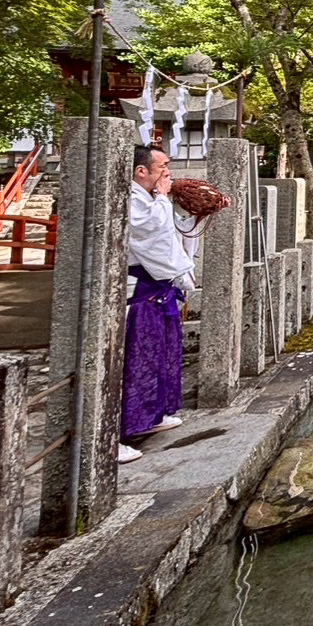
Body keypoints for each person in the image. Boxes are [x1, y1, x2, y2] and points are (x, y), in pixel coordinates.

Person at [120, 144, 195, 464]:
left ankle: (152, 416)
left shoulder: (151, 198)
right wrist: (163, 198)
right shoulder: (132, 198)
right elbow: (151, 231)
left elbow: (172, 232)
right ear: (141, 171)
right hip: (139, 291)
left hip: (159, 289)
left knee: (159, 357)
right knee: (135, 363)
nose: (167, 172)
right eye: (161, 166)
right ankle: (119, 432)